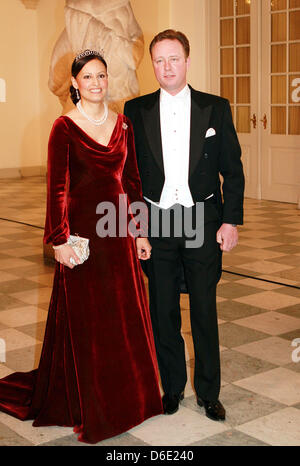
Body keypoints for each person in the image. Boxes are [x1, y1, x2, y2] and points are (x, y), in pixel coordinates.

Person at [0, 49, 163, 444]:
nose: (95, 83)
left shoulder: (124, 125)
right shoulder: (64, 128)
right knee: (88, 321)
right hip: (83, 239)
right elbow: (56, 188)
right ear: (75, 83)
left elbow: (134, 182)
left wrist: (141, 232)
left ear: (108, 80)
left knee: (123, 317)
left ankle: (133, 398)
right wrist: (58, 240)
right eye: (87, 77)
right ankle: (89, 402)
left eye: (101, 76)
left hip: (119, 233)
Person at [124, 30, 244, 421]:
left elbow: (233, 170)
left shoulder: (216, 108)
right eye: (158, 60)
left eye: (173, 59)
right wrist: (138, 228)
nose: (166, 67)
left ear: (188, 61)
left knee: (204, 311)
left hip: (202, 220)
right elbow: (130, 178)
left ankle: (209, 392)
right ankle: (172, 387)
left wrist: (230, 221)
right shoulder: (135, 110)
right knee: (163, 311)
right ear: (152, 65)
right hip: (157, 220)